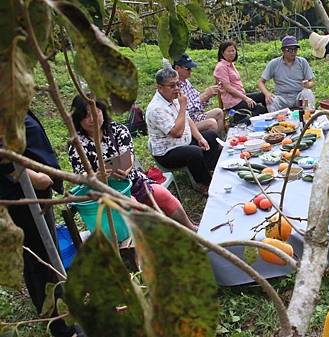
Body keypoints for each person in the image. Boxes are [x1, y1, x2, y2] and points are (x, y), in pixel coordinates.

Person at [0, 111, 83, 337]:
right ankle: (62, 326)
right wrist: (36, 178)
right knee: (43, 259)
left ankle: (49, 311)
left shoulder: (11, 99)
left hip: (33, 194)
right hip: (24, 197)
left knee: (37, 257)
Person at [68, 95, 198, 231]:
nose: (92, 118)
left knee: (163, 195)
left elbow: (128, 156)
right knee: (135, 209)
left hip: (131, 179)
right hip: (104, 193)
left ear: (102, 111)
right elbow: (81, 174)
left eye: (96, 112)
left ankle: (191, 228)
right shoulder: (77, 144)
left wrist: (126, 169)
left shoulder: (117, 130)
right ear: (78, 119)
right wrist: (95, 177)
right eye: (86, 115)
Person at [146, 66, 222, 196]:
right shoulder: (156, 109)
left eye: (178, 84)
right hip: (167, 152)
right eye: (172, 86)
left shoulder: (174, 97)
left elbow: (188, 120)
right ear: (159, 87)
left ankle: (211, 170)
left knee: (211, 136)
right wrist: (182, 107)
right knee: (194, 152)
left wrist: (199, 138)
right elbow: (177, 133)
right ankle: (204, 183)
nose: (176, 88)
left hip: (183, 142)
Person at [258, 35, 315, 112]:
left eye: (295, 49)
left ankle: (308, 118)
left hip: (298, 96)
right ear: (283, 50)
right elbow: (261, 82)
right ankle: (277, 122)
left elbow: (312, 82)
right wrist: (267, 93)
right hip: (282, 98)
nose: (293, 52)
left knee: (307, 93)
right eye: (289, 50)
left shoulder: (302, 62)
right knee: (271, 100)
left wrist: (308, 84)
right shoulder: (274, 63)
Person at [214, 40, 267, 122]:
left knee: (264, 95)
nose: (231, 53)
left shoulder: (231, 64)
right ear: (222, 52)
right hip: (233, 102)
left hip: (240, 97)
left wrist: (245, 97)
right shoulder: (221, 67)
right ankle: (241, 121)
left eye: (233, 50)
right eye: (228, 51)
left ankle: (267, 119)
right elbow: (228, 88)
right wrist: (246, 98)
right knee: (261, 110)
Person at [173, 54, 225, 134]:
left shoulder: (186, 82)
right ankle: (214, 145)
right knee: (211, 123)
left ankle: (221, 141)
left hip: (196, 117)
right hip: (187, 122)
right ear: (177, 68)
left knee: (219, 112)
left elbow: (198, 104)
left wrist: (208, 95)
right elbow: (185, 111)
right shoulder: (175, 87)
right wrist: (204, 96)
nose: (191, 71)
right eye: (188, 68)